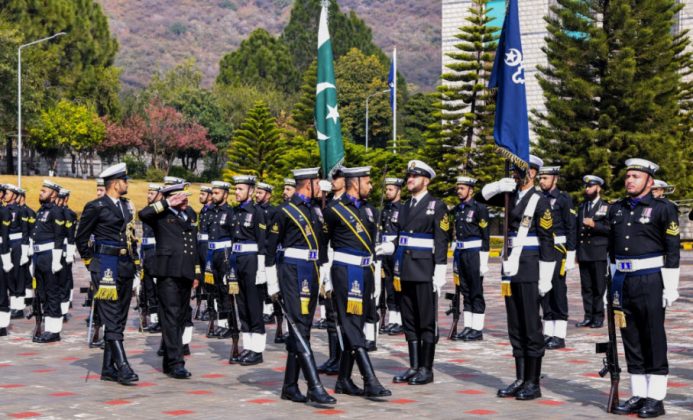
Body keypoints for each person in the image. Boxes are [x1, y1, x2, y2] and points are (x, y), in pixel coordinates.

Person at [477, 154, 555, 400]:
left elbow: (547, 240)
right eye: (514, 170)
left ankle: (533, 382)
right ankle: (520, 377)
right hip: (510, 267)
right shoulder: (511, 195)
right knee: (515, 325)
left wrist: (546, 276)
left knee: (531, 326)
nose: (515, 174)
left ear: (533, 173)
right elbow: (480, 198)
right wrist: (499, 186)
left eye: (520, 170)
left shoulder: (539, 201)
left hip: (531, 267)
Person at [609, 159, 680, 418]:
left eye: (636, 176)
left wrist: (670, 286)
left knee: (653, 337)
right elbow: (611, 251)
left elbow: (673, 250)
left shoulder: (663, 208)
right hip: (623, 280)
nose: (630, 180)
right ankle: (638, 394)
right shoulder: (617, 209)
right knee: (631, 338)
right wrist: (611, 283)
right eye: (628, 176)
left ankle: (656, 397)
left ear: (649, 182)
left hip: (650, 279)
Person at [265, 167, 336, 404]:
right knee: (298, 327)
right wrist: (272, 282)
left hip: (312, 270)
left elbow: (323, 245)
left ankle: (290, 385)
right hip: (292, 271)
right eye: (318, 182)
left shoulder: (316, 210)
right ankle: (314, 386)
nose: (321, 186)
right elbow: (270, 249)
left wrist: (325, 273)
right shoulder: (284, 211)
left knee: (302, 326)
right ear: (308, 184)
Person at [323, 166, 391, 397]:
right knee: (351, 325)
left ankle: (343, 380)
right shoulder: (334, 210)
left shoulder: (370, 210)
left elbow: (371, 241)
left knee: (358, 324)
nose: (371, 186)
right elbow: (326, 242)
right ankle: (369, 378)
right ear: (356, 183)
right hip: (345, 272)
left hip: (365, 271)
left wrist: (382, 248)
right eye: (368, 182)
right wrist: (325, 275)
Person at [383, 160, 449, 386]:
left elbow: (442, 239)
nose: (409, 180)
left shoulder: (436, 205)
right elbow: (400, 236)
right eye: (408, 177)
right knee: (409, 320)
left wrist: (440, 268)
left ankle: (426, 369)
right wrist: (388, 247)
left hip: (424, 270)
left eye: (414, 176)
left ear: (426, 180)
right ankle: (413, 366)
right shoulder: (404, 206)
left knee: (426, 321)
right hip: (404, 269)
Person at [76, 163, 140, 385]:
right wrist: (90, 262)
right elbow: (81, 237)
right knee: (111, 317)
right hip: (105, 266)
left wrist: (135, 266)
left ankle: (107, 368)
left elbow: (131, 237)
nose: (127, 184)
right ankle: (122, 365)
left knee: (119, 317)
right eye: (125, 180)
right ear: (115, 183)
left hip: (124, 265)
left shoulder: (126, 205)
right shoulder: (96, 206)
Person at [139, 181, 199, 379]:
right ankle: (176, 362)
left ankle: (169, 361)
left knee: (181, 317)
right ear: (172, 198)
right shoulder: (160, 215)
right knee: (171, 317)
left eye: (186, 196)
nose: (186, 200)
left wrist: (196, 272)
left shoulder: (189, 214)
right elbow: (143, 214)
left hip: (186, 272)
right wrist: (165, 203)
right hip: (168, 272)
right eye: (181, 197)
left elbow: (194, 245)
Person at [227, 175, 268, 365]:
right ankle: (248, 346)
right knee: (242, 307)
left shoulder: (258, 211)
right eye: (236, 189)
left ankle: (257, 350)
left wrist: (261, 268)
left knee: (253, 306)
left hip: (252, 262)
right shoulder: (235, 212)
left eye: (240, 189)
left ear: (251, 191)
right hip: (237, 261)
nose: (237, 192)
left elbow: (262, 242)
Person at [537, 165, 576, 349]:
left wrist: (570, 254)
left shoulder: (563, 199)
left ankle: (559, 335)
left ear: (555, 179)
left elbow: (571, 227)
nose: (542, 181)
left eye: (545, 178)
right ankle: (548, 332)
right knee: (544, 291)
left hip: (558, 249)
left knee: (558, 291)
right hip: (543, 249)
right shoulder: (538, 198)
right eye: (540, 178)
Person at [449, 176, 490, 341]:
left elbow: (485, 235)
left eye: (462, 188)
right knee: (465, 290)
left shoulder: (479, 208)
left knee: (475, 291)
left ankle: (477, 329)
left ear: (471, 190)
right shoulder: (458, 209)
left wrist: (484, 260)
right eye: (458, 188)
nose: (459, 191)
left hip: (474, 253)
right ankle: (468, 326)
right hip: (461, 253)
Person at [29, 180, 67, 343]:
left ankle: (54, 330)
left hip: (50, 255)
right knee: (42, 293)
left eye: (44, 191)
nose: (40, 193)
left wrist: (57, 259)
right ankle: (47, 327)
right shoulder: (41, 211)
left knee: (52, 293)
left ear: (53, 194)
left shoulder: (56, 211)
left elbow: (59, 237)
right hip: (39, 256)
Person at [317, 168, 345, 374]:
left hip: (341, 260)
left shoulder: (349, 204)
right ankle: (333, 356)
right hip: (327, 260)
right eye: (331, 177)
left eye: (336, 177)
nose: (332, 180)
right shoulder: (328, 203)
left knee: (340, 314)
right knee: (330, 313)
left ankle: (342, 357)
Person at [575, 175, 609, 329]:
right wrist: (576, 252)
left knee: (598, 287)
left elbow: (610, 229)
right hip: (584, 253)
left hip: (598, 253)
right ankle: (588, 316)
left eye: (590, 186)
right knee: (586, 287)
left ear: (598, 188)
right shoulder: (582, 207)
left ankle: (598, 317)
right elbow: (576, 230)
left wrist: (595, 224)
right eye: (586, 186)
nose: (587, 189)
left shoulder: (606, 207)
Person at [203, 181, 235, 338]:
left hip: (224, 253)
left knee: (225, 290)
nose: (213, 195)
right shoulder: (210, 212)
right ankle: (221, 324)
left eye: (217, 193)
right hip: (212, 253)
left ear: (225, 194)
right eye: (213, 193)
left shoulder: (230, 212)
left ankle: (230, 324)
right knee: (215, 290)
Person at [256, 182, 285, 343]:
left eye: (260, 193)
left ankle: (279, 325)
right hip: (258, 255)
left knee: (274, 291)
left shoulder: (274, 211)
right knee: (260, 290)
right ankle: (264, 315)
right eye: (257, 192)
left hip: (269, 254)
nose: (257, 195)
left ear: (268, 194)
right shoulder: (254, 210)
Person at [378, 178, 404, 336]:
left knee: (398, 286)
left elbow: (403, 231)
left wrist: (392, 244)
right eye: (386, 189)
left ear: (399, 191)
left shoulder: (403, 209)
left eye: (391, 189)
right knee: (388, 286)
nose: (387, 192)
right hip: (384, 251)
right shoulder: (384, 209)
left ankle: (400, 321)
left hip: (396, 250)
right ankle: (392, 320)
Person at [2, 185, 30, 322]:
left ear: (14, 195)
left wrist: (25, 250)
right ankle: (13, 304)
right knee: (9, 275)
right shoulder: (4, 209)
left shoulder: (20, 211)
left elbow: (25, 231)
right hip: (6, 244)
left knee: (18, 274)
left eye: (8, 193)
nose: (5, 195)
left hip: (17, 244)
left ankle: (19, 307)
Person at [140, 184, 163, 333]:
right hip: (146, 253)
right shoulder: (147, 211)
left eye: (152, 193)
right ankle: (154, 319)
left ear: (160, 195)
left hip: (156, 253)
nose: (149, 195)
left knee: (157, 289)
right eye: (148, 193)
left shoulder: (161, 212)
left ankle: (161, 319)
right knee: (148, 288)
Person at [56, 189, 77, 322]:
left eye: (59, 198)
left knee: (64, 280)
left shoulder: (69, 214)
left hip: (64, 250)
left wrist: (70, 253)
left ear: (65, 199)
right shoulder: (52, 212)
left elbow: (70, 236)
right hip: (53, 250)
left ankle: (63, 310)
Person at [0, 185, 14, 337]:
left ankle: (2, 324)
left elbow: (4, 237)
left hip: (0, 252)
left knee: (1, 290)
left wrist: (5, 258)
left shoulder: (4, 211)